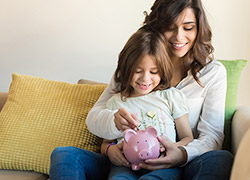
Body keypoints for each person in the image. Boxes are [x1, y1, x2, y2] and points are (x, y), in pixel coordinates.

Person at [50, 0, 234, 179]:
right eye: (170, 26)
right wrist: (112, 134)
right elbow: (94, 118)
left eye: (188, 27)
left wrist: (182, 154)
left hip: (185, 162)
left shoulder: (213, 73)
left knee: (220, 159)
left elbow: (212, 137)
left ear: (199, 28)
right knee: (64, 155)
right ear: (157, 26)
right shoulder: (132, 69)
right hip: (126, 162)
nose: (179, 37)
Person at [101, 28, 193, 180]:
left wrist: (171, 148)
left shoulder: (170, 96)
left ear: (163, 71)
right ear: (126, 68)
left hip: (164, 166)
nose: (145, 79)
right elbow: (106, 143)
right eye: (138, 71)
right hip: (125, 167)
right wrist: (110, 151)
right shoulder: (115, 102)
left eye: (153, 72)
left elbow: (187, 138)